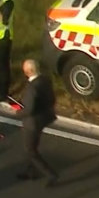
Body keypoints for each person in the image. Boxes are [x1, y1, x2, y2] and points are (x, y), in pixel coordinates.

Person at [15, 59, 58, 187]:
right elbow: (51, 99)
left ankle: (51, 175)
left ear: (27, 72)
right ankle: (31, 171)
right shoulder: (45, 80)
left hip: (32, 122)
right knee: (32, 146)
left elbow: (29, 109)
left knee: (30, 150)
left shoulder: (32, 87)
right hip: (44, 117)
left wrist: (18, 113)